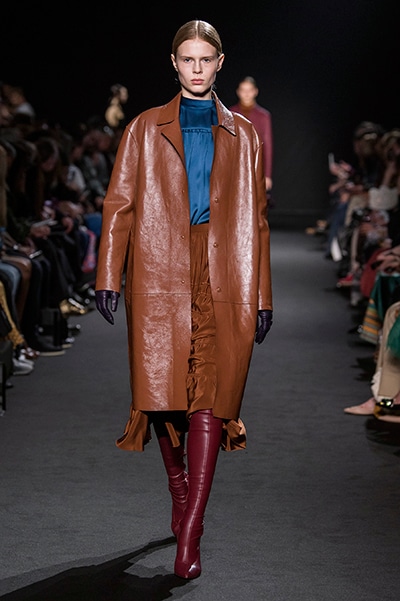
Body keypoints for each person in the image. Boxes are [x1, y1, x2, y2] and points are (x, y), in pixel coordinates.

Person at [95, 19, 273, 580]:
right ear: (174, 64)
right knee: (164, 393)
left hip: (225, 270)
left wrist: (262, 291)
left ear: (220, 64)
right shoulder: (144, 127)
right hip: (158, 264)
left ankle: (191, 529)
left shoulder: (244, 133)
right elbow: (119, 203)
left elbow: (257, 219)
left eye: (205, 59)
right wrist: (107, 274)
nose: (197, 69)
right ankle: (179, 488)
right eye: (187, 59)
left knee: (211, 394)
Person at [229, 75, 273, 193]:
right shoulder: (230, 113)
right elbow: (226, 144)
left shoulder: (263, 116)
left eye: (249, 90)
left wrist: (267, 175)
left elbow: (267, 146)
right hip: (235, 166)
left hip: (256, 166)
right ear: (238, 92)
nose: (246, 94)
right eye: (243, 90)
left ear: (255, 92)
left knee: (255, 199)